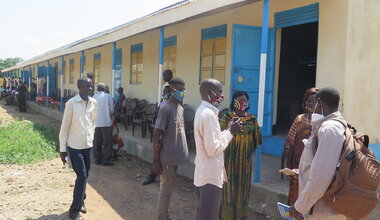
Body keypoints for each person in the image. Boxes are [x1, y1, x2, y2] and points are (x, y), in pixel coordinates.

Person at [290, 87, 346, 220]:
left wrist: (300, 206)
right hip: (321, 205)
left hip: (323, 209)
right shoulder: (329, 126)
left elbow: (321, 177)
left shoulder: (329, 130)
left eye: (313, 103)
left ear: (319, 103)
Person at [194, 78, 242, 220]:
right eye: (219, 92)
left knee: (204, 214)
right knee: (208, 216)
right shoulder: (208, 115)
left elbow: (211, 141)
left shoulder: (203, 111)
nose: (222, 96)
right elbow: (213, 149)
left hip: (204, 173)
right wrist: (231, 132)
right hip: (210, 176)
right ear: (209, 93)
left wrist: (226, 130)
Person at [219, 91, 262, 220]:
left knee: (243, 191)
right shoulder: (226, 117)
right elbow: (219, 137)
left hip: (244, 164)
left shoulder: (252, 120)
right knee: (228, 191)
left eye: (245, 100)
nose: (242, 103)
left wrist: (246, 153)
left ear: (248, 103)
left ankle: (240, 217)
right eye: (239, 100)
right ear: (233, 102)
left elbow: (256, 141)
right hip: (228, 162)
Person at [59, 77, 97, 220]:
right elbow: (65, 127)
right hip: (75, 147)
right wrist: (63, 149)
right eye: (87, 86)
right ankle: (74, 211)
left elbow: (93, 122)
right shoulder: (72, 103)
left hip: (88, 146)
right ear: (79, 86)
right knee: (81, 176)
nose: (90, 88)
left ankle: (81, 201)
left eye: (91, 86)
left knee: (85, 175)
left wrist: (91, 137)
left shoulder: (94, 102)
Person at [152, 77, 189, 220]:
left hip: (174, 157)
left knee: (169, 188)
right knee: (165, 191)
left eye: (184, 90)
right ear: (172, 90)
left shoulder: (180, 108)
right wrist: (155, 159)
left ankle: (165, 216)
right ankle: (162, 217)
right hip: (166, 158)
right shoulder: (165, 108)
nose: (182, 92)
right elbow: (157, 134)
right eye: (180, 90)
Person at [283, 88, 319, 206]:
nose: (311, 104)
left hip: (314, 164)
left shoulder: (323, 121)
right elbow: (290, 140)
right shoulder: (300, 119)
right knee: (295, 192)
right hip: (297, 162)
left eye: (314, 102)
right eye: (308, 101)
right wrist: (287, 158)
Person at [142, 85, 171, 186]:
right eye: (163, 92)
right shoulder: (163, 103)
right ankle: (152, 176)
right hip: (160, 134)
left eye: (166, 92)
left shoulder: (173, 105)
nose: (164, 94)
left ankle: (162, 177)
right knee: (156, 156)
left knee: (163, 159)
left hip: (168, 136)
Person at [93, 82, 114, 166]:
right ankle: (106, 160)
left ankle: (98, 159)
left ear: (97, 89)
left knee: (97, 142)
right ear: (104, 88)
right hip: (106, 123)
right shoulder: (108, 97)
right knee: (107, 143)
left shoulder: (94, 97)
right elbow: (111, 110)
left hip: (96, 123)